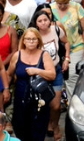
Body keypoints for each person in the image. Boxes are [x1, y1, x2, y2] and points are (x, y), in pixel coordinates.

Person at [8, 28, 56, 141]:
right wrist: (6, 89)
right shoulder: (17, 55)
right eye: (28, 39)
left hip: (39, 101)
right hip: (21, 99)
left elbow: (52, 75)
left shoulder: (44, 55)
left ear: (38, 41)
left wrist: (37, 71)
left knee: (37, 131)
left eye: (34, 39)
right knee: (20, 129)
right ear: (23, 41)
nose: (31, 41)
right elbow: (9, 74)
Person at [30, 10, 68, 141]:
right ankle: (45, 124)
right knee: (42, 102)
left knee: (56, 105)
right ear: (36, 23)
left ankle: (55, 125)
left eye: (45, 20)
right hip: (41, 73)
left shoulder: (56, 30)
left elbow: (66, 42)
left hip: (56, 70)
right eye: (40, 21)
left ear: (49, 20)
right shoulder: (33, 35)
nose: (43, 23)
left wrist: (67, 58)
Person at [50, 0, 84, 96]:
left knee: (72, 76)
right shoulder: (50, 9)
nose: (62, 6)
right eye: (59, 3)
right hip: (57, 49)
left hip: (75, 46)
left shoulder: (76, 7)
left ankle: (72, 99)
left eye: (65, 3)